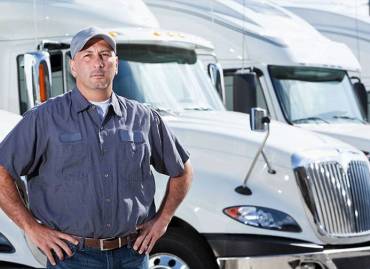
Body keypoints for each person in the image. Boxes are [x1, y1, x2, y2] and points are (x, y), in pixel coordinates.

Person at [0, 26, 192, 269]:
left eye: (104, 54)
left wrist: (163, 220)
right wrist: (31, 228)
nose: (98, 63)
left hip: (132, 256)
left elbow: (183, 171)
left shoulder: (143, 118)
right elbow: (2, 171)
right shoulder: (44, 118)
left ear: (116, 63)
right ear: (73, 66)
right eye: (87, 55)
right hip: (72, 258)